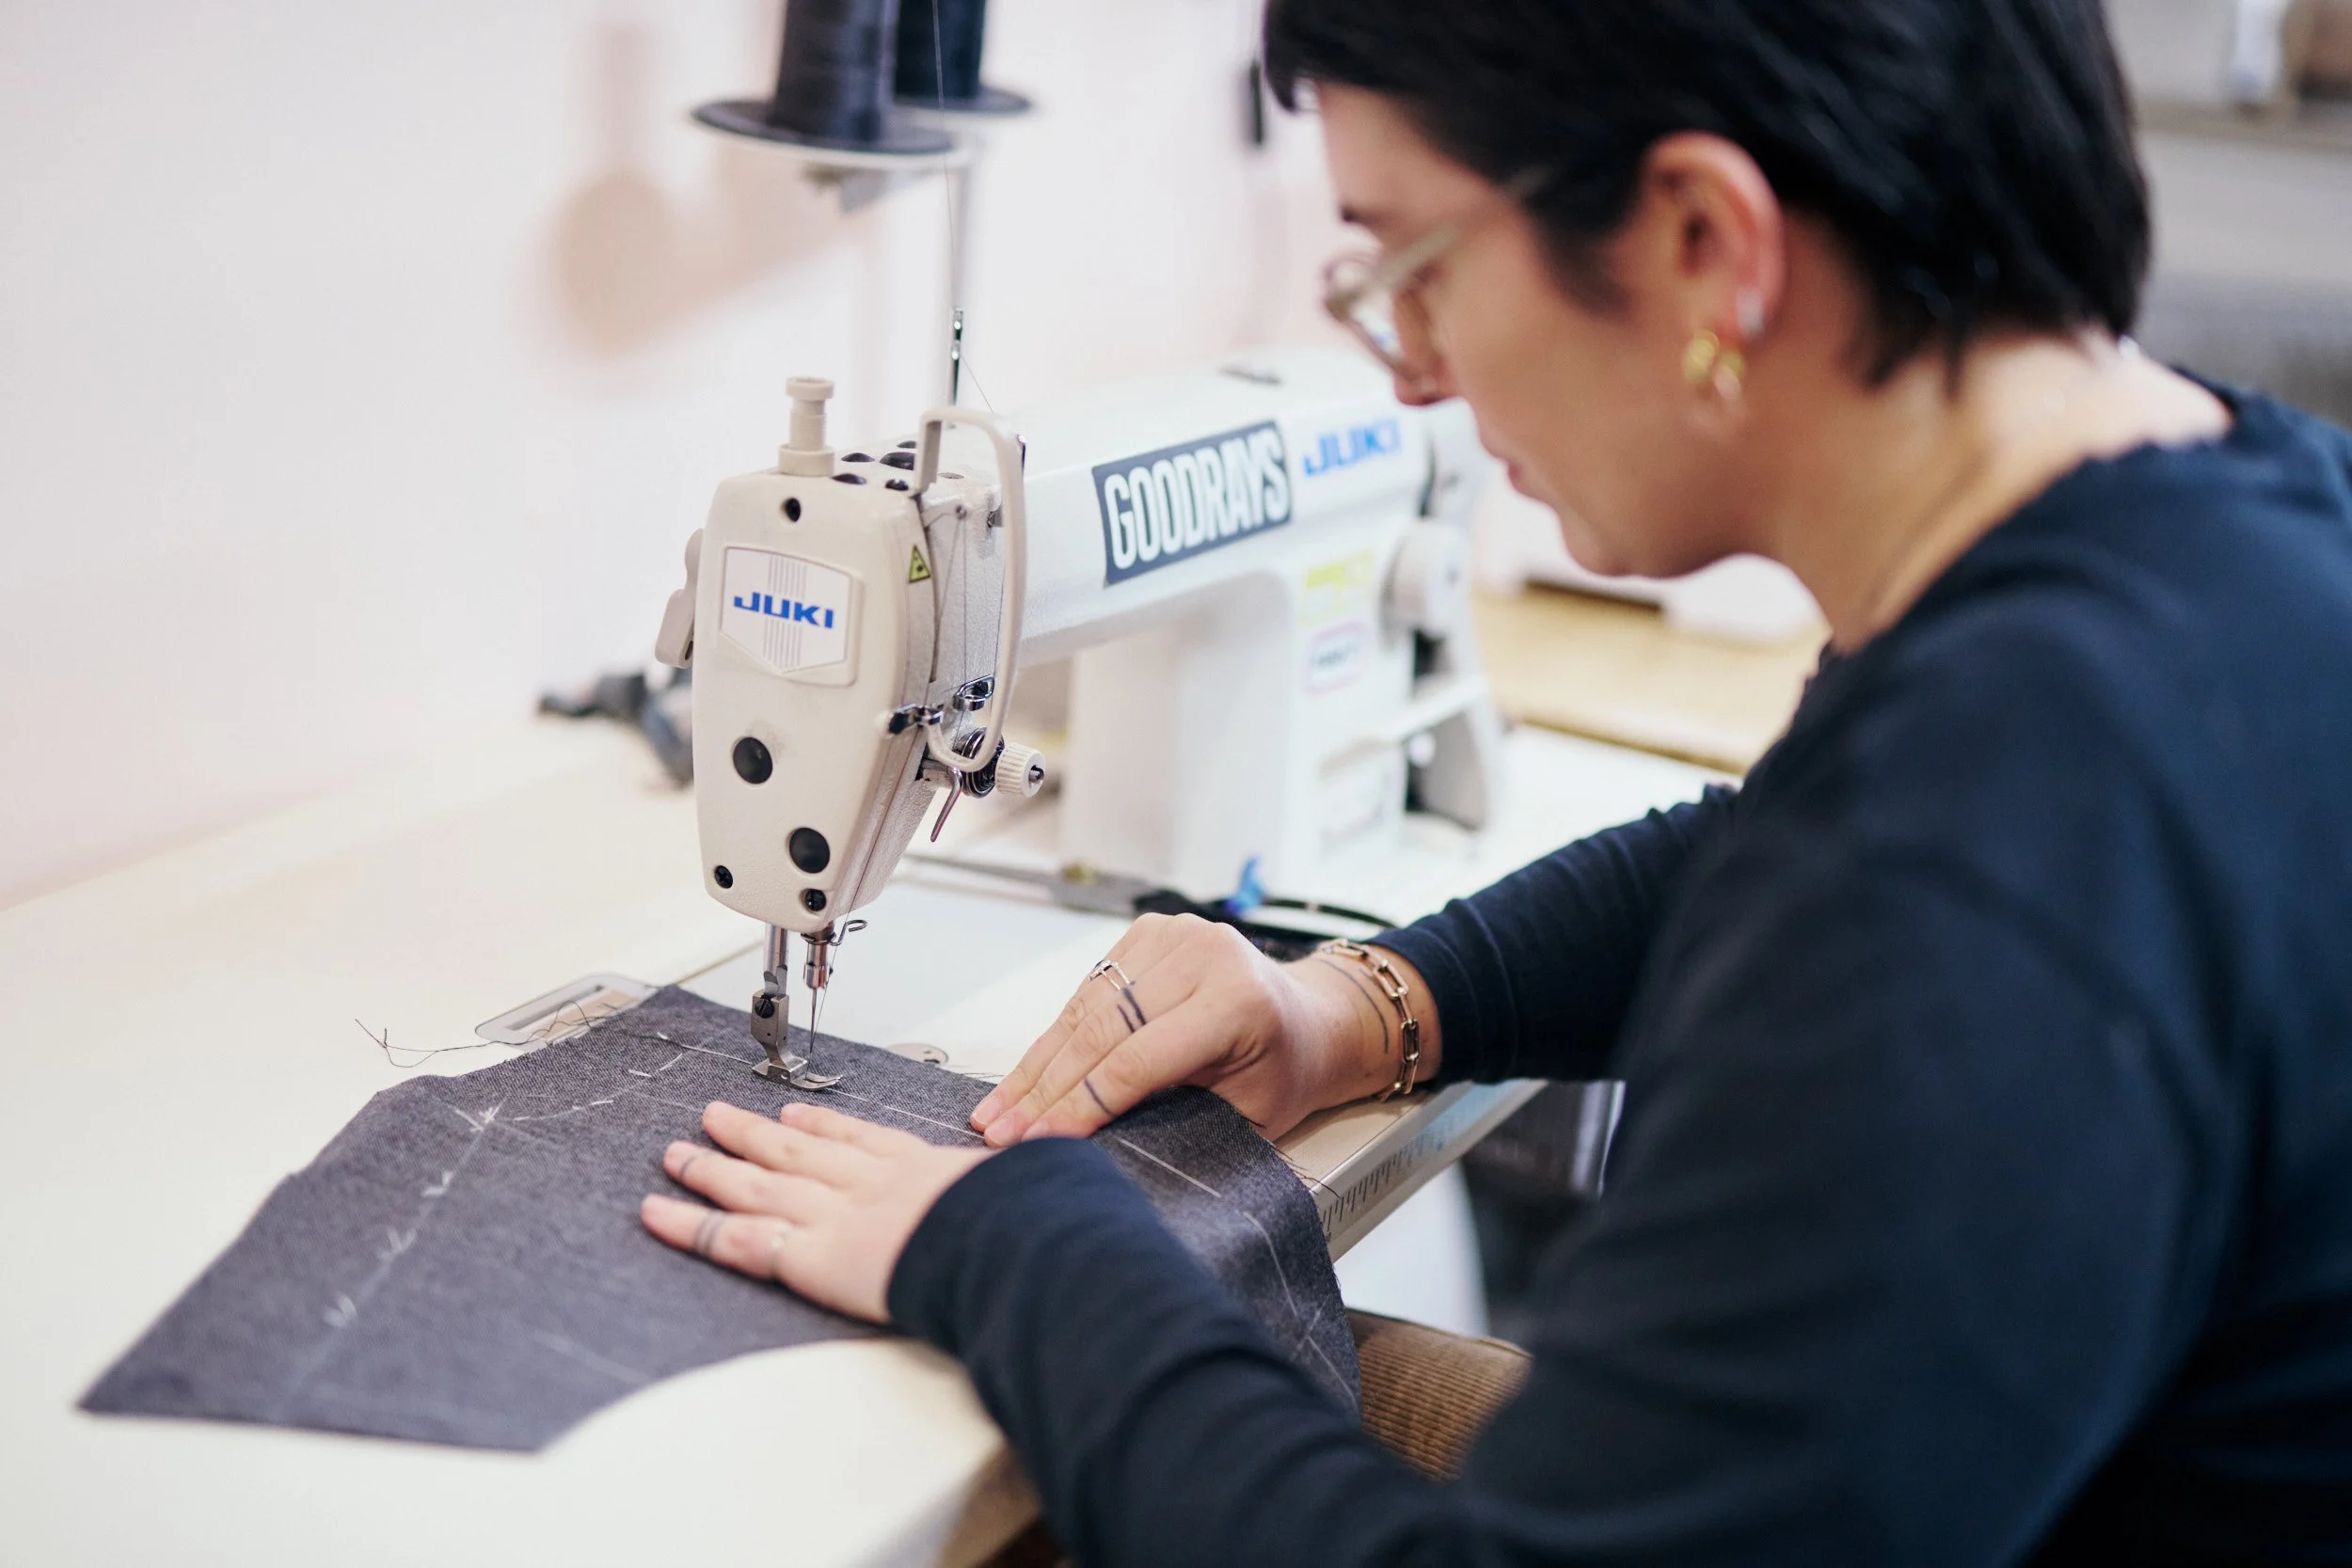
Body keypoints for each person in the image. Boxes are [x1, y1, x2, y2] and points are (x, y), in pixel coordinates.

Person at [640, 0, 2352, 1560]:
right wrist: (1368, 1005)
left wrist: (1015, 1240)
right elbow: (1760, 851)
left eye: (1411, 266)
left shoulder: (1981, 857)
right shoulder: (2238, 529)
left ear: (1700, 242)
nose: (1412, 372)